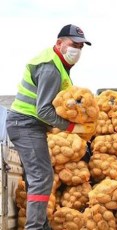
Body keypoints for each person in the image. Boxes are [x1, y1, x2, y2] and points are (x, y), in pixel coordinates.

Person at [6, 24, 95, 229]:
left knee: (37, 177)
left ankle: (41, 225)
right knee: (42, 177)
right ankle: (36, 227)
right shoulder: (51, 68)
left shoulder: (57, 64)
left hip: (28, 125)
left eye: (81, 46)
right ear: (59, 43)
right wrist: (72, 128)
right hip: (26, 124)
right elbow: (43, 111)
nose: (78, 50)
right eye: (74, 44)